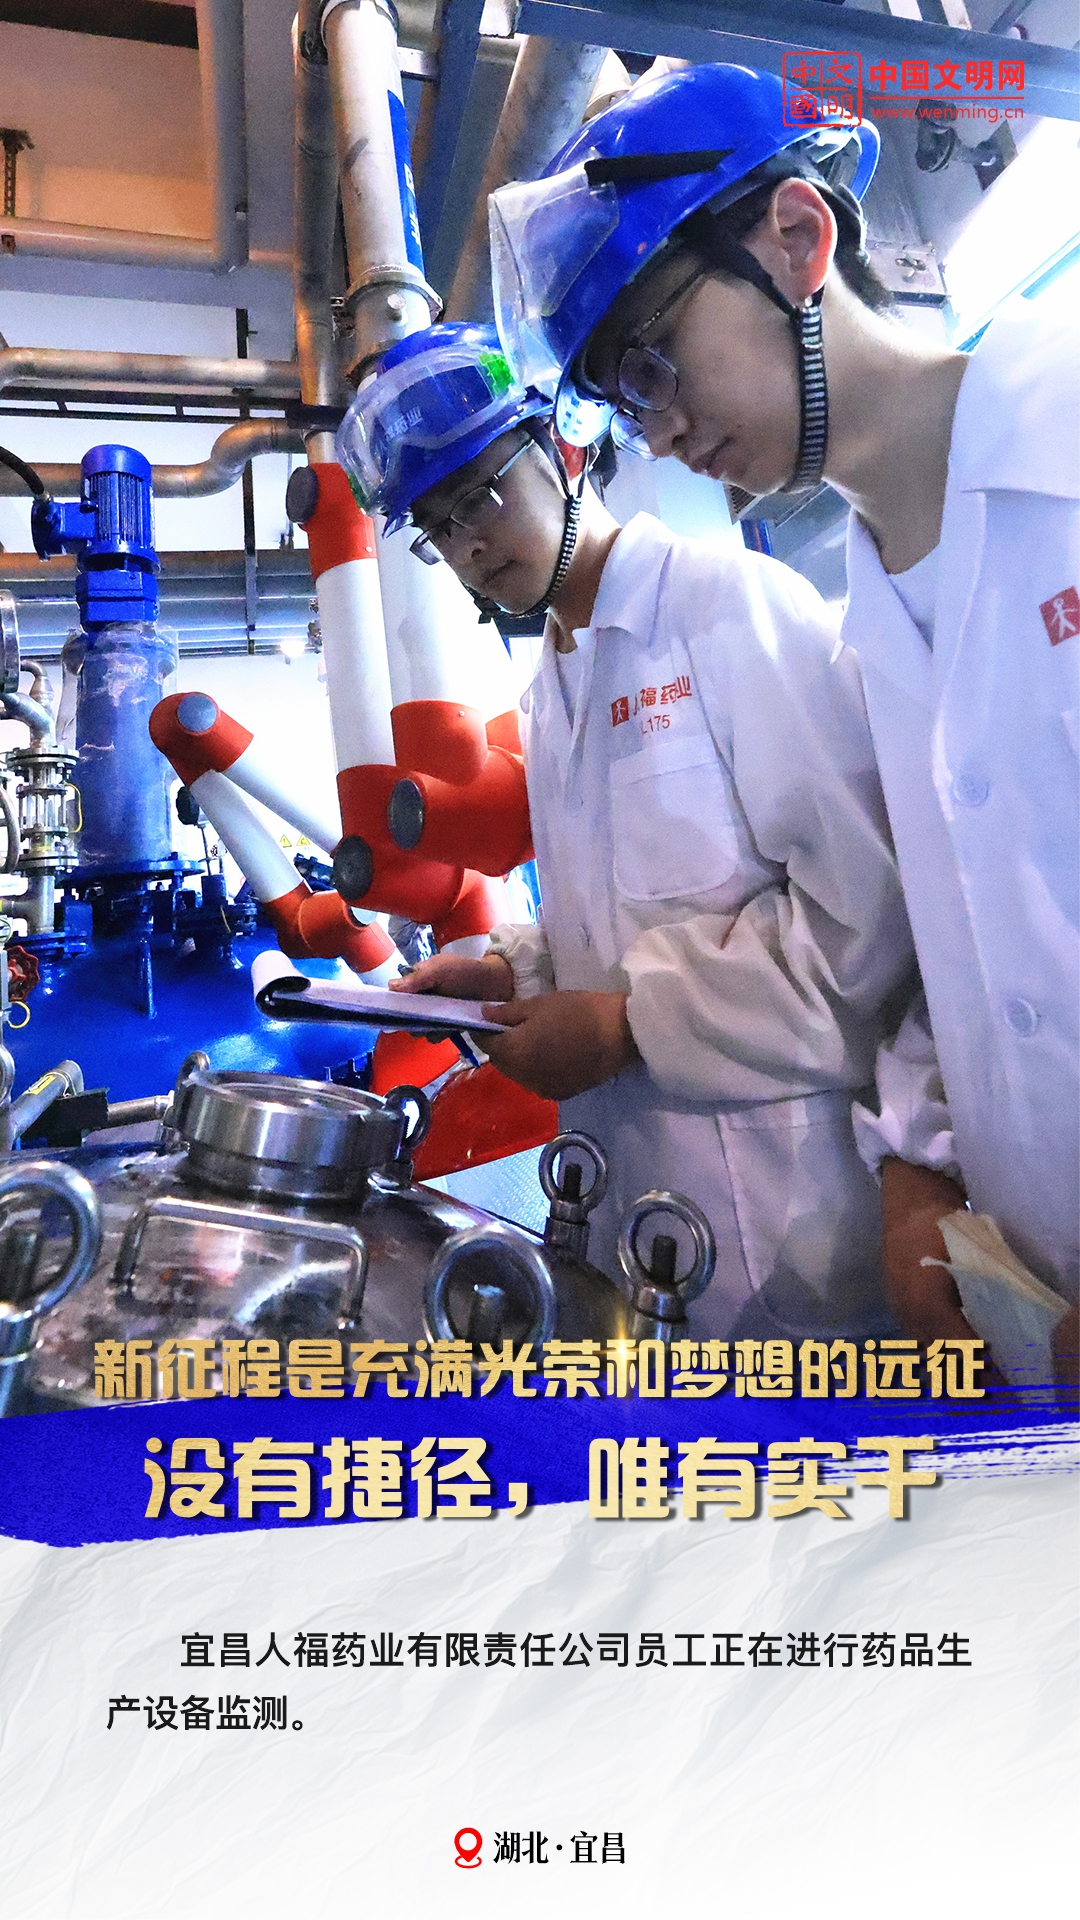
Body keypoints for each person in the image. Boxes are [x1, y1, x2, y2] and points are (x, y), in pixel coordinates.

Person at [488, 63, 1080, 1367]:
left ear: (799, 238)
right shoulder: (878, 612)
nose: (657, 434)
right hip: (1027, 1313)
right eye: (622, 399)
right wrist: (919, 1169)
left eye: (653, 361)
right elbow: (969, 955)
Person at [337, 321, 917, 1340]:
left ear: (565, 444)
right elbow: (618, 919)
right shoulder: (551, 687)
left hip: (793, 1232)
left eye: (479, 497)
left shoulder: (729, 608)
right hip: (638, 1216)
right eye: (437, 528)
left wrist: (630, 1025)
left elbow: (869, 928)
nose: (468, 547)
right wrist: (512, 972)